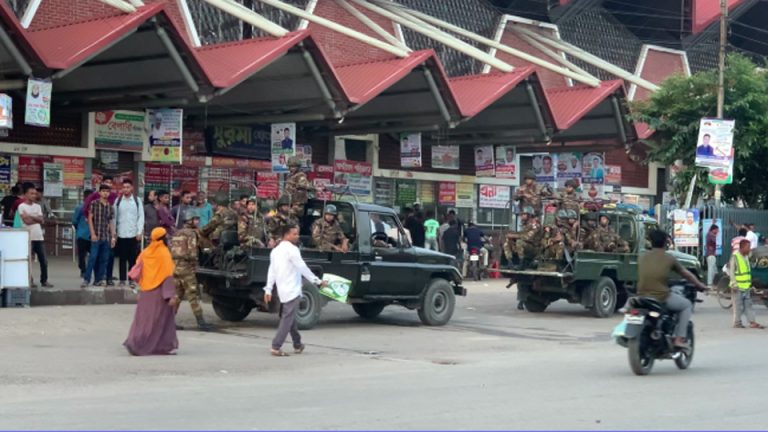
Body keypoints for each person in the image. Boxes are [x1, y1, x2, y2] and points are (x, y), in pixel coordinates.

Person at [263, 223, 327, 357]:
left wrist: (268, 289)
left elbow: (271, 271)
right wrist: (318, 281)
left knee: (289, 316)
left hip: (282, 290)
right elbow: (302, 267)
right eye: (295, 234)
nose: (297, 236)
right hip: (292, 289)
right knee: (287, 318)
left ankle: (297, 344)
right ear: (286, 235)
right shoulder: (292, 250)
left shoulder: (275, 251)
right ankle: (276, 346)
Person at [638, 230, 707, 348]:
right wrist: (700, 285)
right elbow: (687, 274)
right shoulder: (669, 258)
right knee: (686, 305)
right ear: (665, 243)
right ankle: (679, 339)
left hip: (641, 295)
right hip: (660, 296)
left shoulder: (642, 257)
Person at [123, 227, 179, 356]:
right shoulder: (164, 253)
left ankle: (136, 342)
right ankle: (163, 346)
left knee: (144, 319)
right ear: (163, 238)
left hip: (146, 291)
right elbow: (167, 274)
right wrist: (170, 295)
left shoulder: (146, 252)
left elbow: (138, 268)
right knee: (162, 321)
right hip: (159, 292)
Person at [170, 211, 214, 331]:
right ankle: (201, 322)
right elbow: (192, 253)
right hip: (186, 268)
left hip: (175, 267)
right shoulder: (191, 234)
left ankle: (168, 322)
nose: (197, 222)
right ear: (189, 220)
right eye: (195, 219)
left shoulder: (177, 232)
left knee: (177, 295)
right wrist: (196, 266)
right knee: (193, 295)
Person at [18, 184, 53, 288]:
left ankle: (44, 280)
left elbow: (41, 220)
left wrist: (30, 215)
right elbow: (27, 222)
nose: (34, 195)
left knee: (44, 261)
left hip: (39, 237)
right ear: (25, 194)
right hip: (28, 237)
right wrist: (35, 218)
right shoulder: (21, 206)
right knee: (29, 261)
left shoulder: (37, 206)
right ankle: (30, 280)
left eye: (35, 193)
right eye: (31, 193)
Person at [83, 185, 116, 288]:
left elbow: (110, 222)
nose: (105, 193)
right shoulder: (94, 204)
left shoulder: (110, 206)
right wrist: (92, 234)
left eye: (107, 191)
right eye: (103, 191)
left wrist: (113, 236)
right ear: (100, 192)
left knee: (104, 259)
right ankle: (86, 279)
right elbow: (90, 219)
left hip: (106, 237)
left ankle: (99, 280)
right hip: (96, 236)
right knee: (92, 258)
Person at [113, 179, 144, 288]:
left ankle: (131, 279)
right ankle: (122, 279)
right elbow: (114, 217)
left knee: (132, 258)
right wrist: (114, 233)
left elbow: (141, 216)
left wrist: (139, 232)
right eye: (124, 187)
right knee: (122, 258)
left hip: (133, 234)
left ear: (132, 188)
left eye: (128, 187)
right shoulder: (118, 201)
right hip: (121, 233)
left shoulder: (137, 200)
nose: (126, 189)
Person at [729, 239, 764, 329]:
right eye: (748, 247)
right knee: (738, 306)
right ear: (742, 247)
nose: (749, 249)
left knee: (748, 305)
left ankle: (752, 322)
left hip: (746, 286)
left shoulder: (746, 256)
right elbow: (731, 271)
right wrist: (734, 284)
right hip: (737, 287)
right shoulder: (735, 257)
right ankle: (737, 323)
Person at [72, 190, 93, 281]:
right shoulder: (80, 208)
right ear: (85, 198)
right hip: (82, 235)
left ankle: (90, 270)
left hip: (92, 235)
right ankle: (83, 269)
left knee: (93, 254)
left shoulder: (94, 208)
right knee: (82, 255)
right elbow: (74, 221)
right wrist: (79, 229)